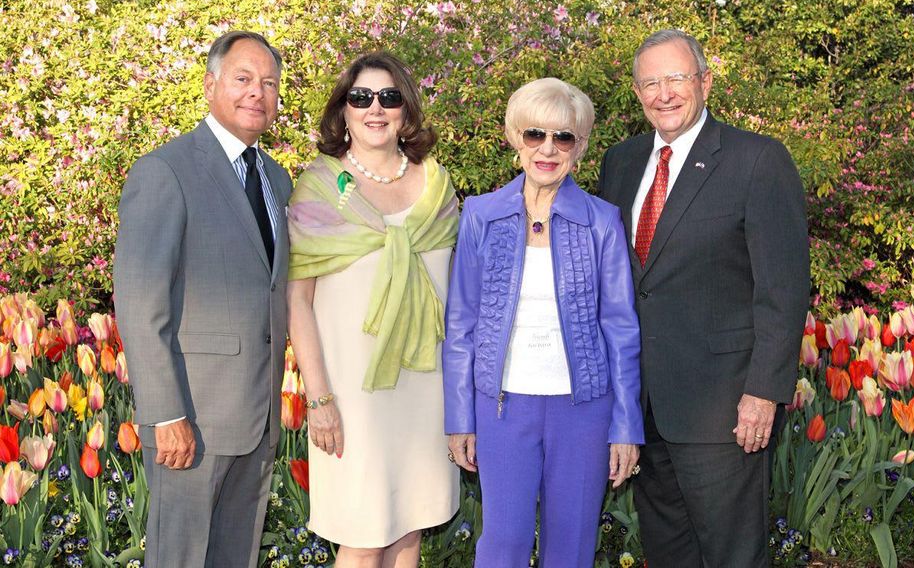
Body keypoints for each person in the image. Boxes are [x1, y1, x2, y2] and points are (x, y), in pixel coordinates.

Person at [598, 29, 811, 567]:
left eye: (676, 78)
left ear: (705, 81)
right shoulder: (619, 164)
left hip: (725, 410)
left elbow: (783, 290)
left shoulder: (757, 161)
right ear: (636, 92)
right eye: (650, 82)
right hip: (644, 407)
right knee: (668, 554)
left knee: (732, 557)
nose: (663, 93)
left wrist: (763, 392)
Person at [443, 77, 644, 568]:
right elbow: (461, 325)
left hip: (584, 411)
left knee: (571, 548)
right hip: (502, 408)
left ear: (579, 146)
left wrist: (625, 426)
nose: (548, 149)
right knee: (502, 545)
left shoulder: (602, 221)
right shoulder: (480, 216)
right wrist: (459, 416)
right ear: (516, 138)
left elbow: (621, 328)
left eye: (563, 137)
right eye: (535, 135)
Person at [114, 30, 292, 566]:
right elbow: (141, 304)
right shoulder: (165, 171)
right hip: (191, 419)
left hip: (255, 417)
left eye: (268, 83)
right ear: (211, 84)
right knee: (179, 558)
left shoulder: (276, 180)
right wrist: (166, 413)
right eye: (243, 79)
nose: (256, 92)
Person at [286, 51, 460, 567]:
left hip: (424, 388)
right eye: (361, 97)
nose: (375, 109)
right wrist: (318, 399)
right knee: (362, 538)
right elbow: (298, 299)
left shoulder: (436, 186)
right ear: (343, 111)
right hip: (349, 396)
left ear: (406, 110)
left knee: (409, 532)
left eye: (389, 97)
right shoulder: (319, 187)